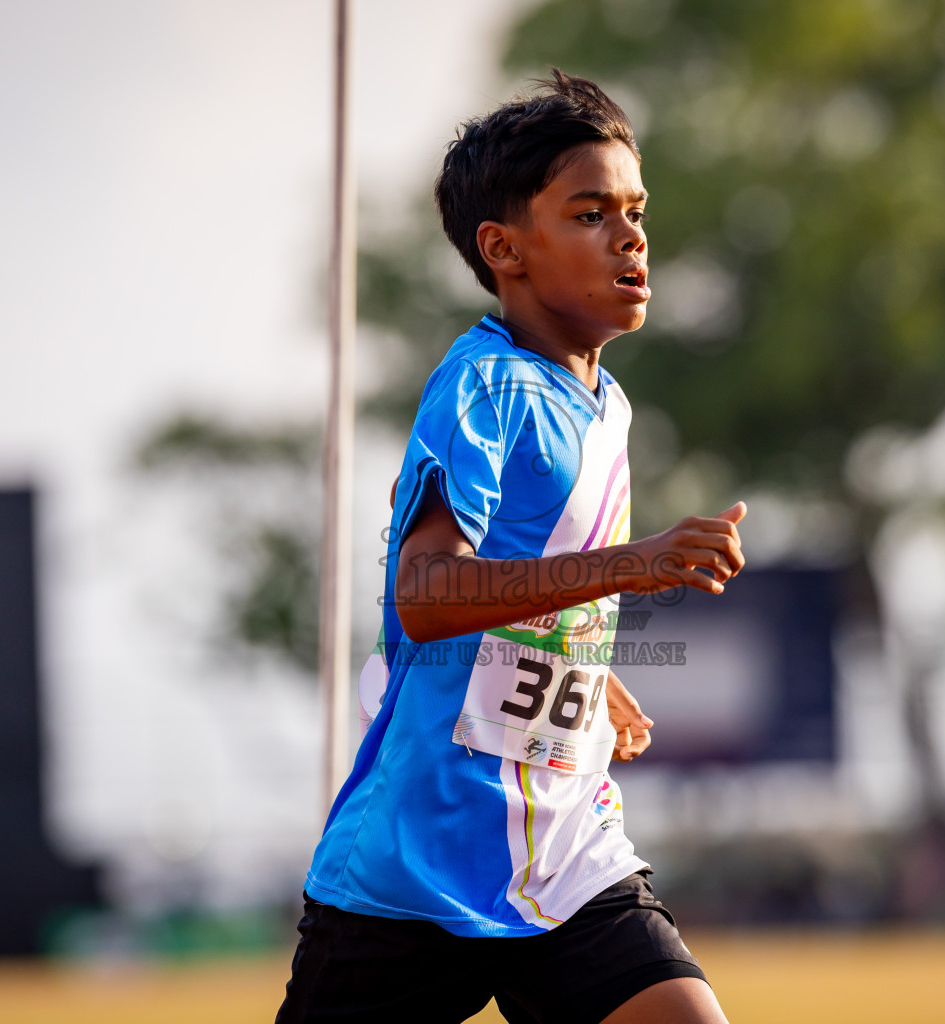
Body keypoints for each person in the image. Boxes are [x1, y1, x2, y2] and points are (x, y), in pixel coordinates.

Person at [277, 70, 745, 1024]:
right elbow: (425, 595)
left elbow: (528, 583)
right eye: (590, 214)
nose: (630, 237)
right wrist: (635, 564)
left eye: (635, 212)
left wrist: (581, 662)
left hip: (563, 857)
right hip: (418, 871)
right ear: (504, 249)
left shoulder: (607, 403)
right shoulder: (486, 385)